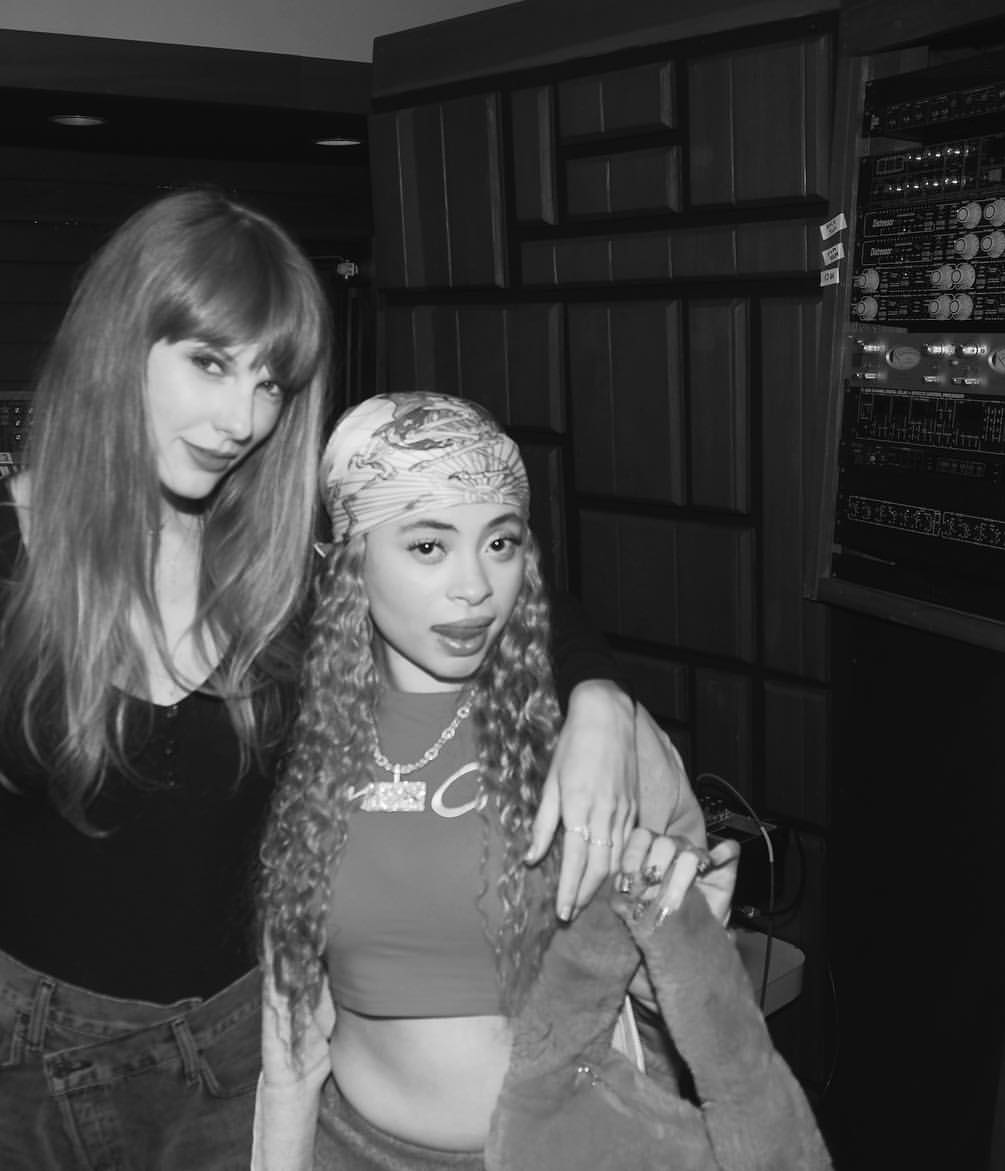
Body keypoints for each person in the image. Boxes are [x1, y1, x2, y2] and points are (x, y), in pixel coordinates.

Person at [0, 191, 686, 1171]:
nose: (242, 419)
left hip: (230, 1062)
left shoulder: (288, 571)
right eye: (210, 362)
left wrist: (599, 699)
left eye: (271, 382)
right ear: (120, 341)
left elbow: (501, 585)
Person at [254, 393, 824, 1169]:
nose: (475, 585)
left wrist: (683, 927)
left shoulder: (596, 738)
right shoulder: (298, 732)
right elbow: (289, 1026)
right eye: (428, 545)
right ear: (346, 560)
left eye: (500, 542)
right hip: (352, 1147)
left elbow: (675, 1001)